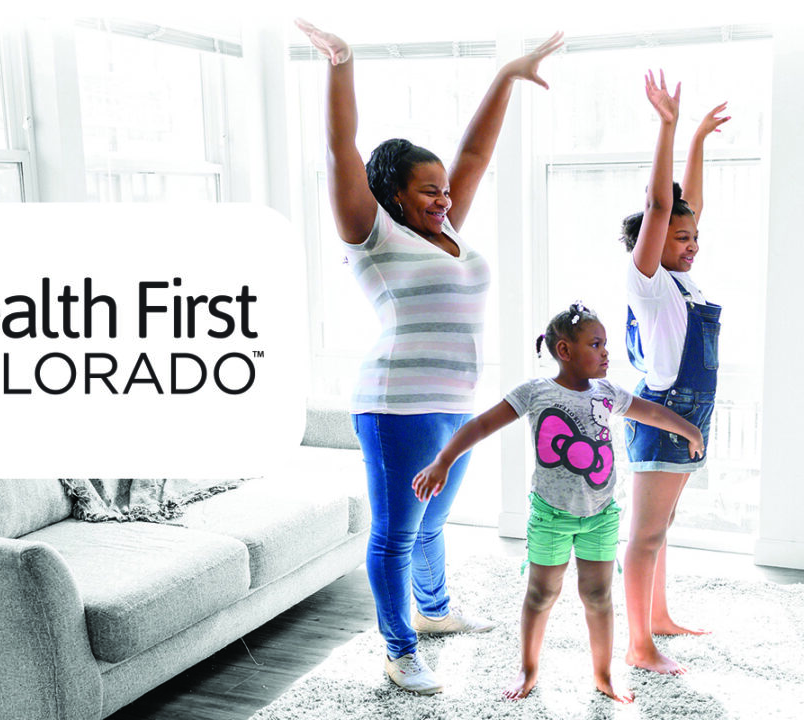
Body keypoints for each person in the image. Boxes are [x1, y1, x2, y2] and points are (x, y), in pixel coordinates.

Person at [295, 17, 563, 695]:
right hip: (396, 408)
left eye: (445, 190)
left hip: (453, 404)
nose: (445, 199)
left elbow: (474, 156)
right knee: (395, 533)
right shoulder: (372, 232)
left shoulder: (446, 230)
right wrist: (341, 63)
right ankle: (397, 648)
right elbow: (339, 147)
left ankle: (435, 612)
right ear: (392, 196)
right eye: (428, 191)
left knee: (433, 521)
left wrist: (505, 77)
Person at [412, 304, 704, 702]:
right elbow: (481, 423)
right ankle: (527, 670)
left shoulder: (608, 393)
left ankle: (604, 674)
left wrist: (689, 428)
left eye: (606, 344)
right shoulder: (536, 392)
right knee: (541, 594)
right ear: (564, 351)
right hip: (550, 516)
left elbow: (650, 411)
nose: (605, 353)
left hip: (601, 516)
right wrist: (443, 461)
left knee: (598, 597)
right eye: (596, 344)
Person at [619, 71, 729, 675]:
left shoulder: (683, 281)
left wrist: (700, 141)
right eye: (680, 237)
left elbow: (684, 204)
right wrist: (667, 126)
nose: (691, 243)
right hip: (664, 423)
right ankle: (639, 644)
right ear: (652, 243)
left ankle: (657, 618)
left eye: (694, 237)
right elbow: (662, 205)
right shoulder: (650, 286)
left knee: (661, 532)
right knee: (644, 536)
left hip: (689, 418)